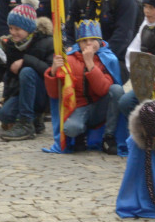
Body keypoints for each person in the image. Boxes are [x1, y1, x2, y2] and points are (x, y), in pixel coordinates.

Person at [46, 19, 124, 153]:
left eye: (93, 39)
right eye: (84, 41)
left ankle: (108, 137)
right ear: (78, 43)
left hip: (101, 106)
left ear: (99, 41)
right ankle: (79, 135)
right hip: (79, 107)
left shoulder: (108, 58)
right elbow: (55, 94)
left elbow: (104, 90)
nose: (88, 43)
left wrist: (90, 64)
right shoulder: (69, 59)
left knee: (116, 90)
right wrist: (53, 71)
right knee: (71, 129)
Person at [0, 0, 55, 141]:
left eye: (17, 29)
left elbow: (49, 71)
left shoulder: (47, 42)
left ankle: (26, 123)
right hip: (22, 91)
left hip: (42, 92)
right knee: (5, 114)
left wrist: (25, 61)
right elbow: (9, 76)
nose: (13, 32)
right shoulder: (12, 45)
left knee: (27, 71)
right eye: (11, 28)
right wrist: (5, 98)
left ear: (29, 28)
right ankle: (35, 119)